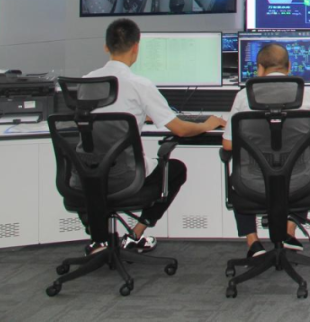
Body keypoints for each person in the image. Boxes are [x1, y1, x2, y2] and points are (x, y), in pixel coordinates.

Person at [84, 19, 225, 252]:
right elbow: (180, 129)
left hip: (87, 175)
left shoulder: (85, 82)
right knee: (176, 169)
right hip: (126, 175)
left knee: (99, 176)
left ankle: (99, 239)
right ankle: (135, 235)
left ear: (106, 47)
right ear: (136, 47)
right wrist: (206, 124)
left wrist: (141, 114)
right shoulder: (140, 84)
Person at [223, 43, 310, 258]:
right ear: (289, 67)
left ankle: (253, 243)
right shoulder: (308, 96)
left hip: (252, 183)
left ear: (259, 68)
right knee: (305, 166)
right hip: (299, 183)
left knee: (238, 173)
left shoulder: (244, 96)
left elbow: (228, 146)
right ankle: (289, 232)